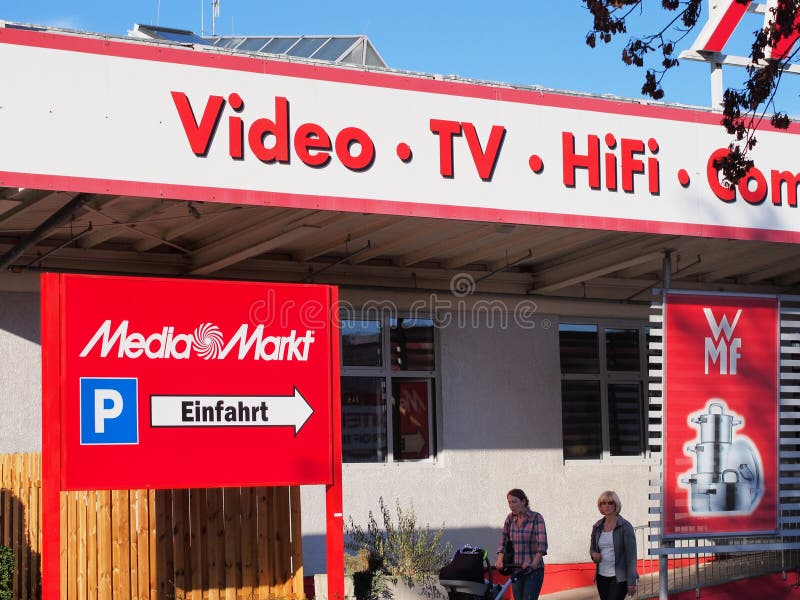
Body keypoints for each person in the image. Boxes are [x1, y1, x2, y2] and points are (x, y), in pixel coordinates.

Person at [494, 488, 548, 600]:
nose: (511, 505)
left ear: (523, 501)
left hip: (533, 570)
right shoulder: (510, 519)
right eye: (509, 502)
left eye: (514, 502)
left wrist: (533, 563)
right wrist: (499, 559)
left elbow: (542, 545)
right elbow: (503, 541)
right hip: (516, 569)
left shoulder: (536, 518)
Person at [589, 491, 638, 599]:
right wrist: (594, 555)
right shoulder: (597, 526)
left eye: (610, 503)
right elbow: (592, 548)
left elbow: (631, 557)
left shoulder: (625, 526)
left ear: (616, 505)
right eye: (603, 503)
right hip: (601, 576)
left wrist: (631, 581)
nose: (606, 506)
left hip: (619, 577)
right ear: (600, 506)